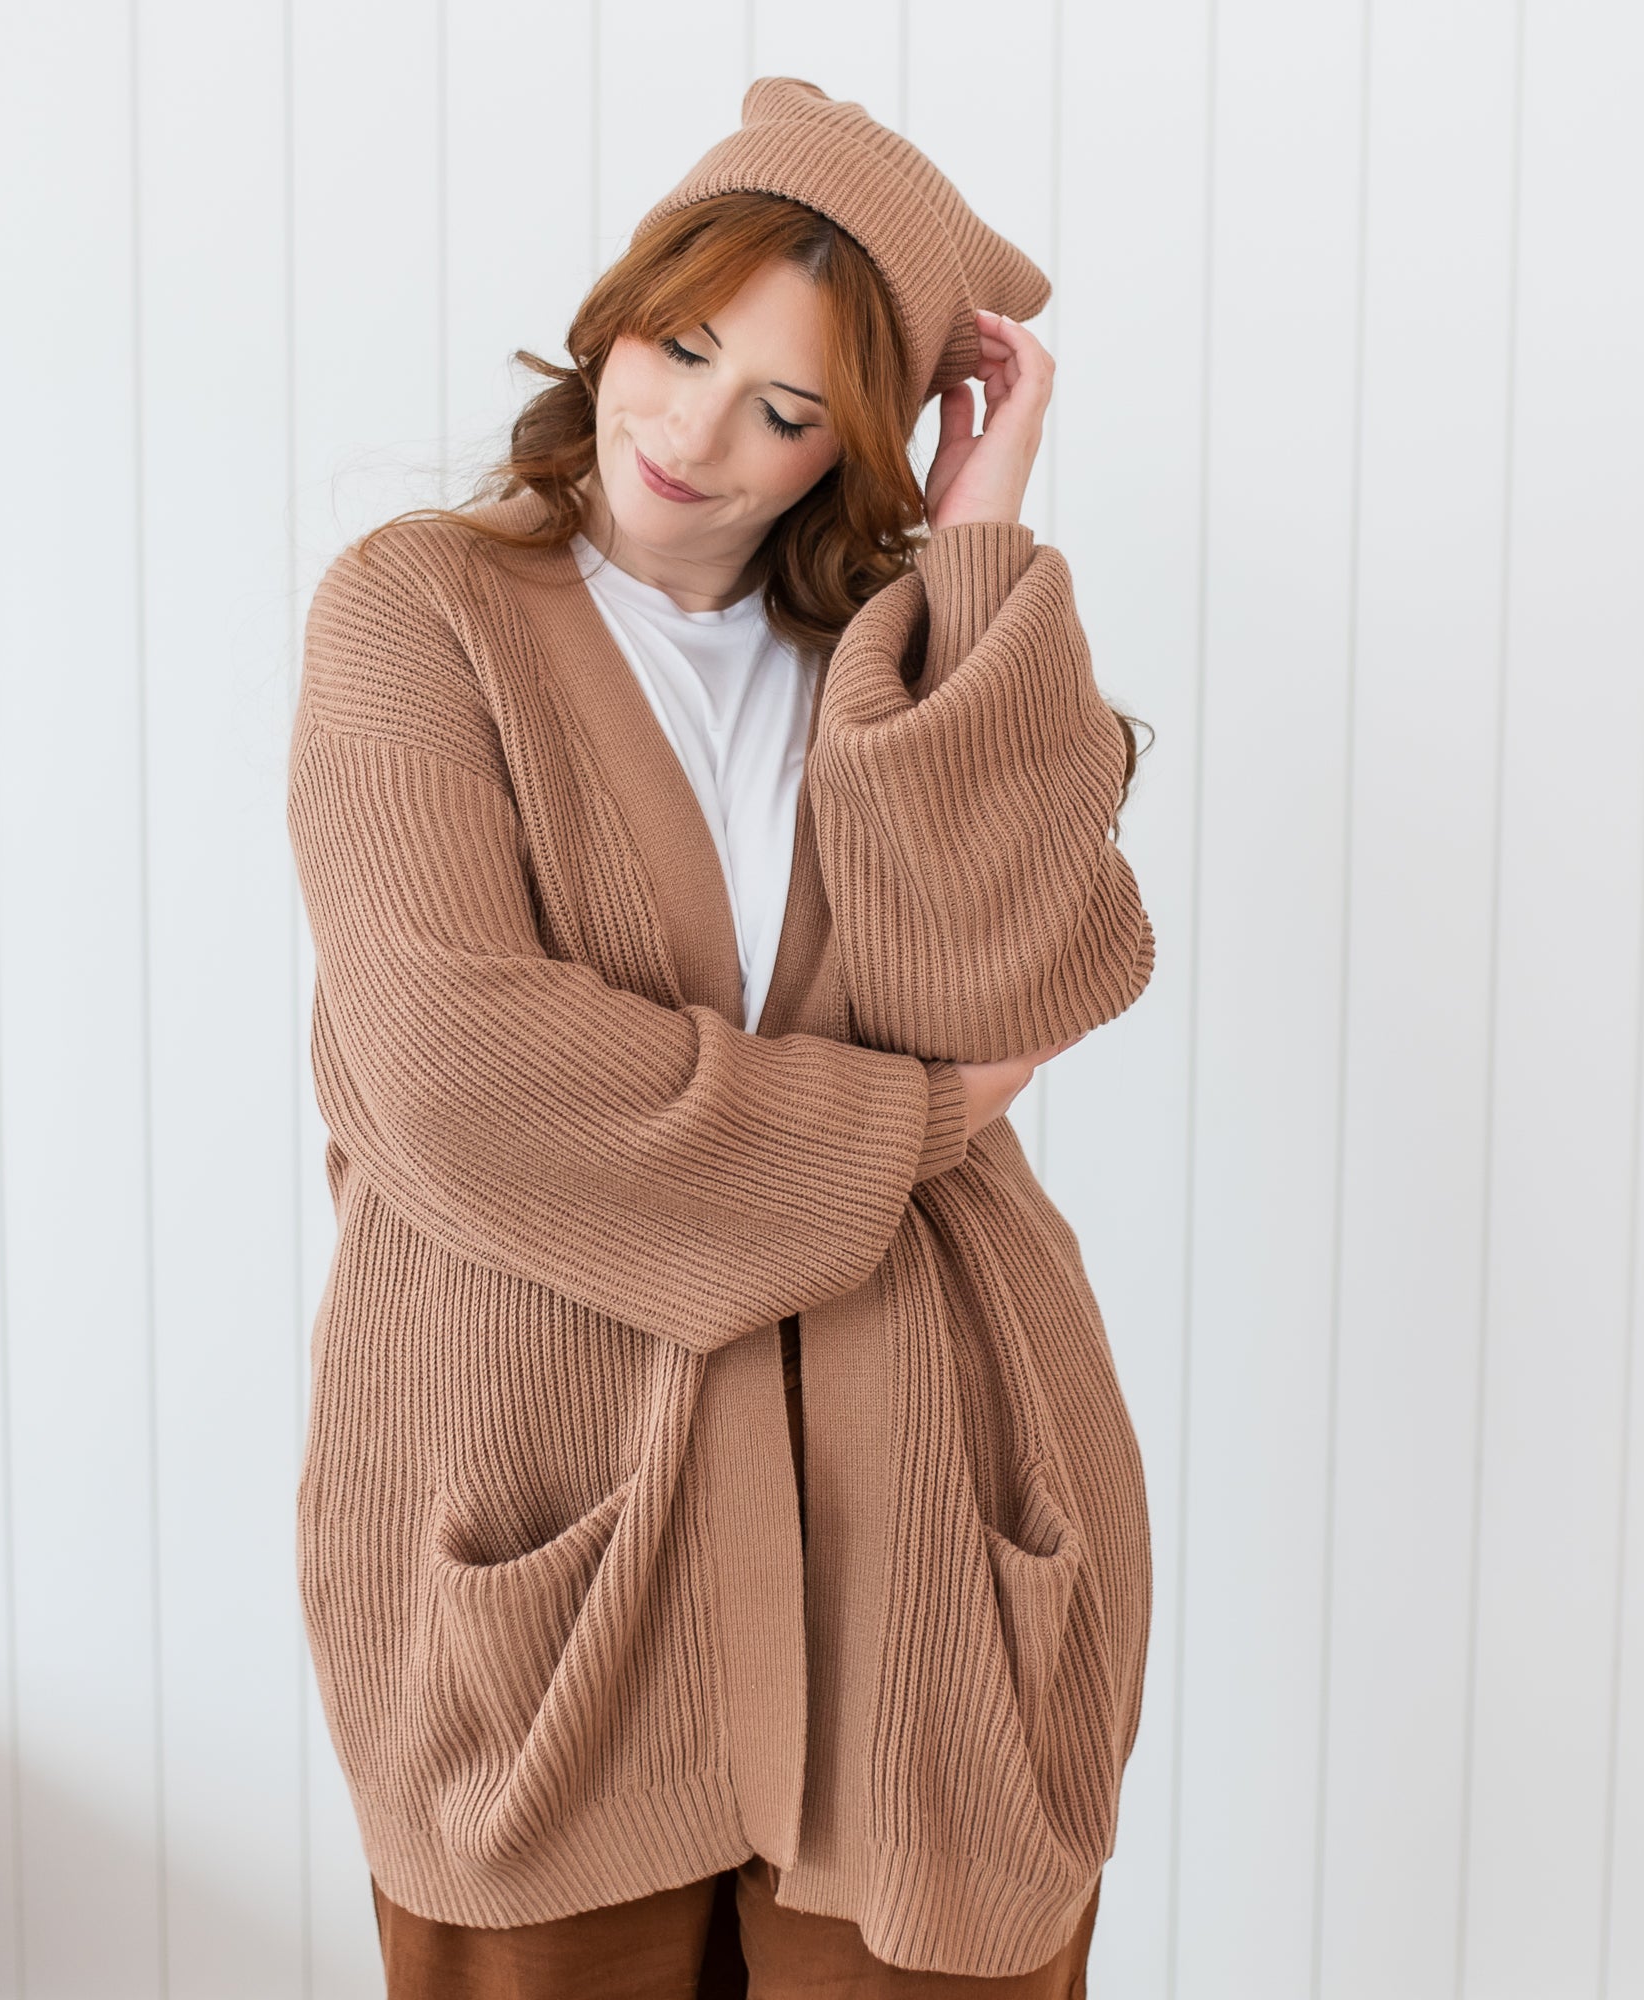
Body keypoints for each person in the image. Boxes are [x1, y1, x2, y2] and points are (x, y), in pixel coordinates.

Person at [286, 75, 1156, 1997]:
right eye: (682, 349)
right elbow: (466, 1077)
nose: (694, 432)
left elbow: (1013, 978)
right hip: (543, 1506)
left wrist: (966, 558)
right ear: (618, 311)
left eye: (788, 411)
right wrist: (912, 1117)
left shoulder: (889, 658)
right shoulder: (417, 619)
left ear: (853, 445)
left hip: (928, 1522)